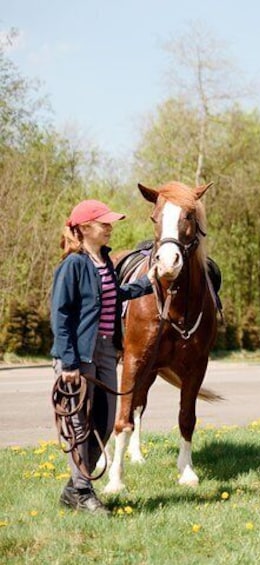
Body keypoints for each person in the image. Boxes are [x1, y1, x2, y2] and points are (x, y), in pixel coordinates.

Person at [50, 199, 156, 514]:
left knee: (106, 422)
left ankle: (73, 488)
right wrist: (68, 363)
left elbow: (112, 296)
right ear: (84, 228)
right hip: (80, 355)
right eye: (103, 223)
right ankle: (83, 491)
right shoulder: (73, 264)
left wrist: (148, 283)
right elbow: (61, 316)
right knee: (80, 424)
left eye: (110, 223)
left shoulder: (103, 261)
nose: (109, 227)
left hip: (108, 350)